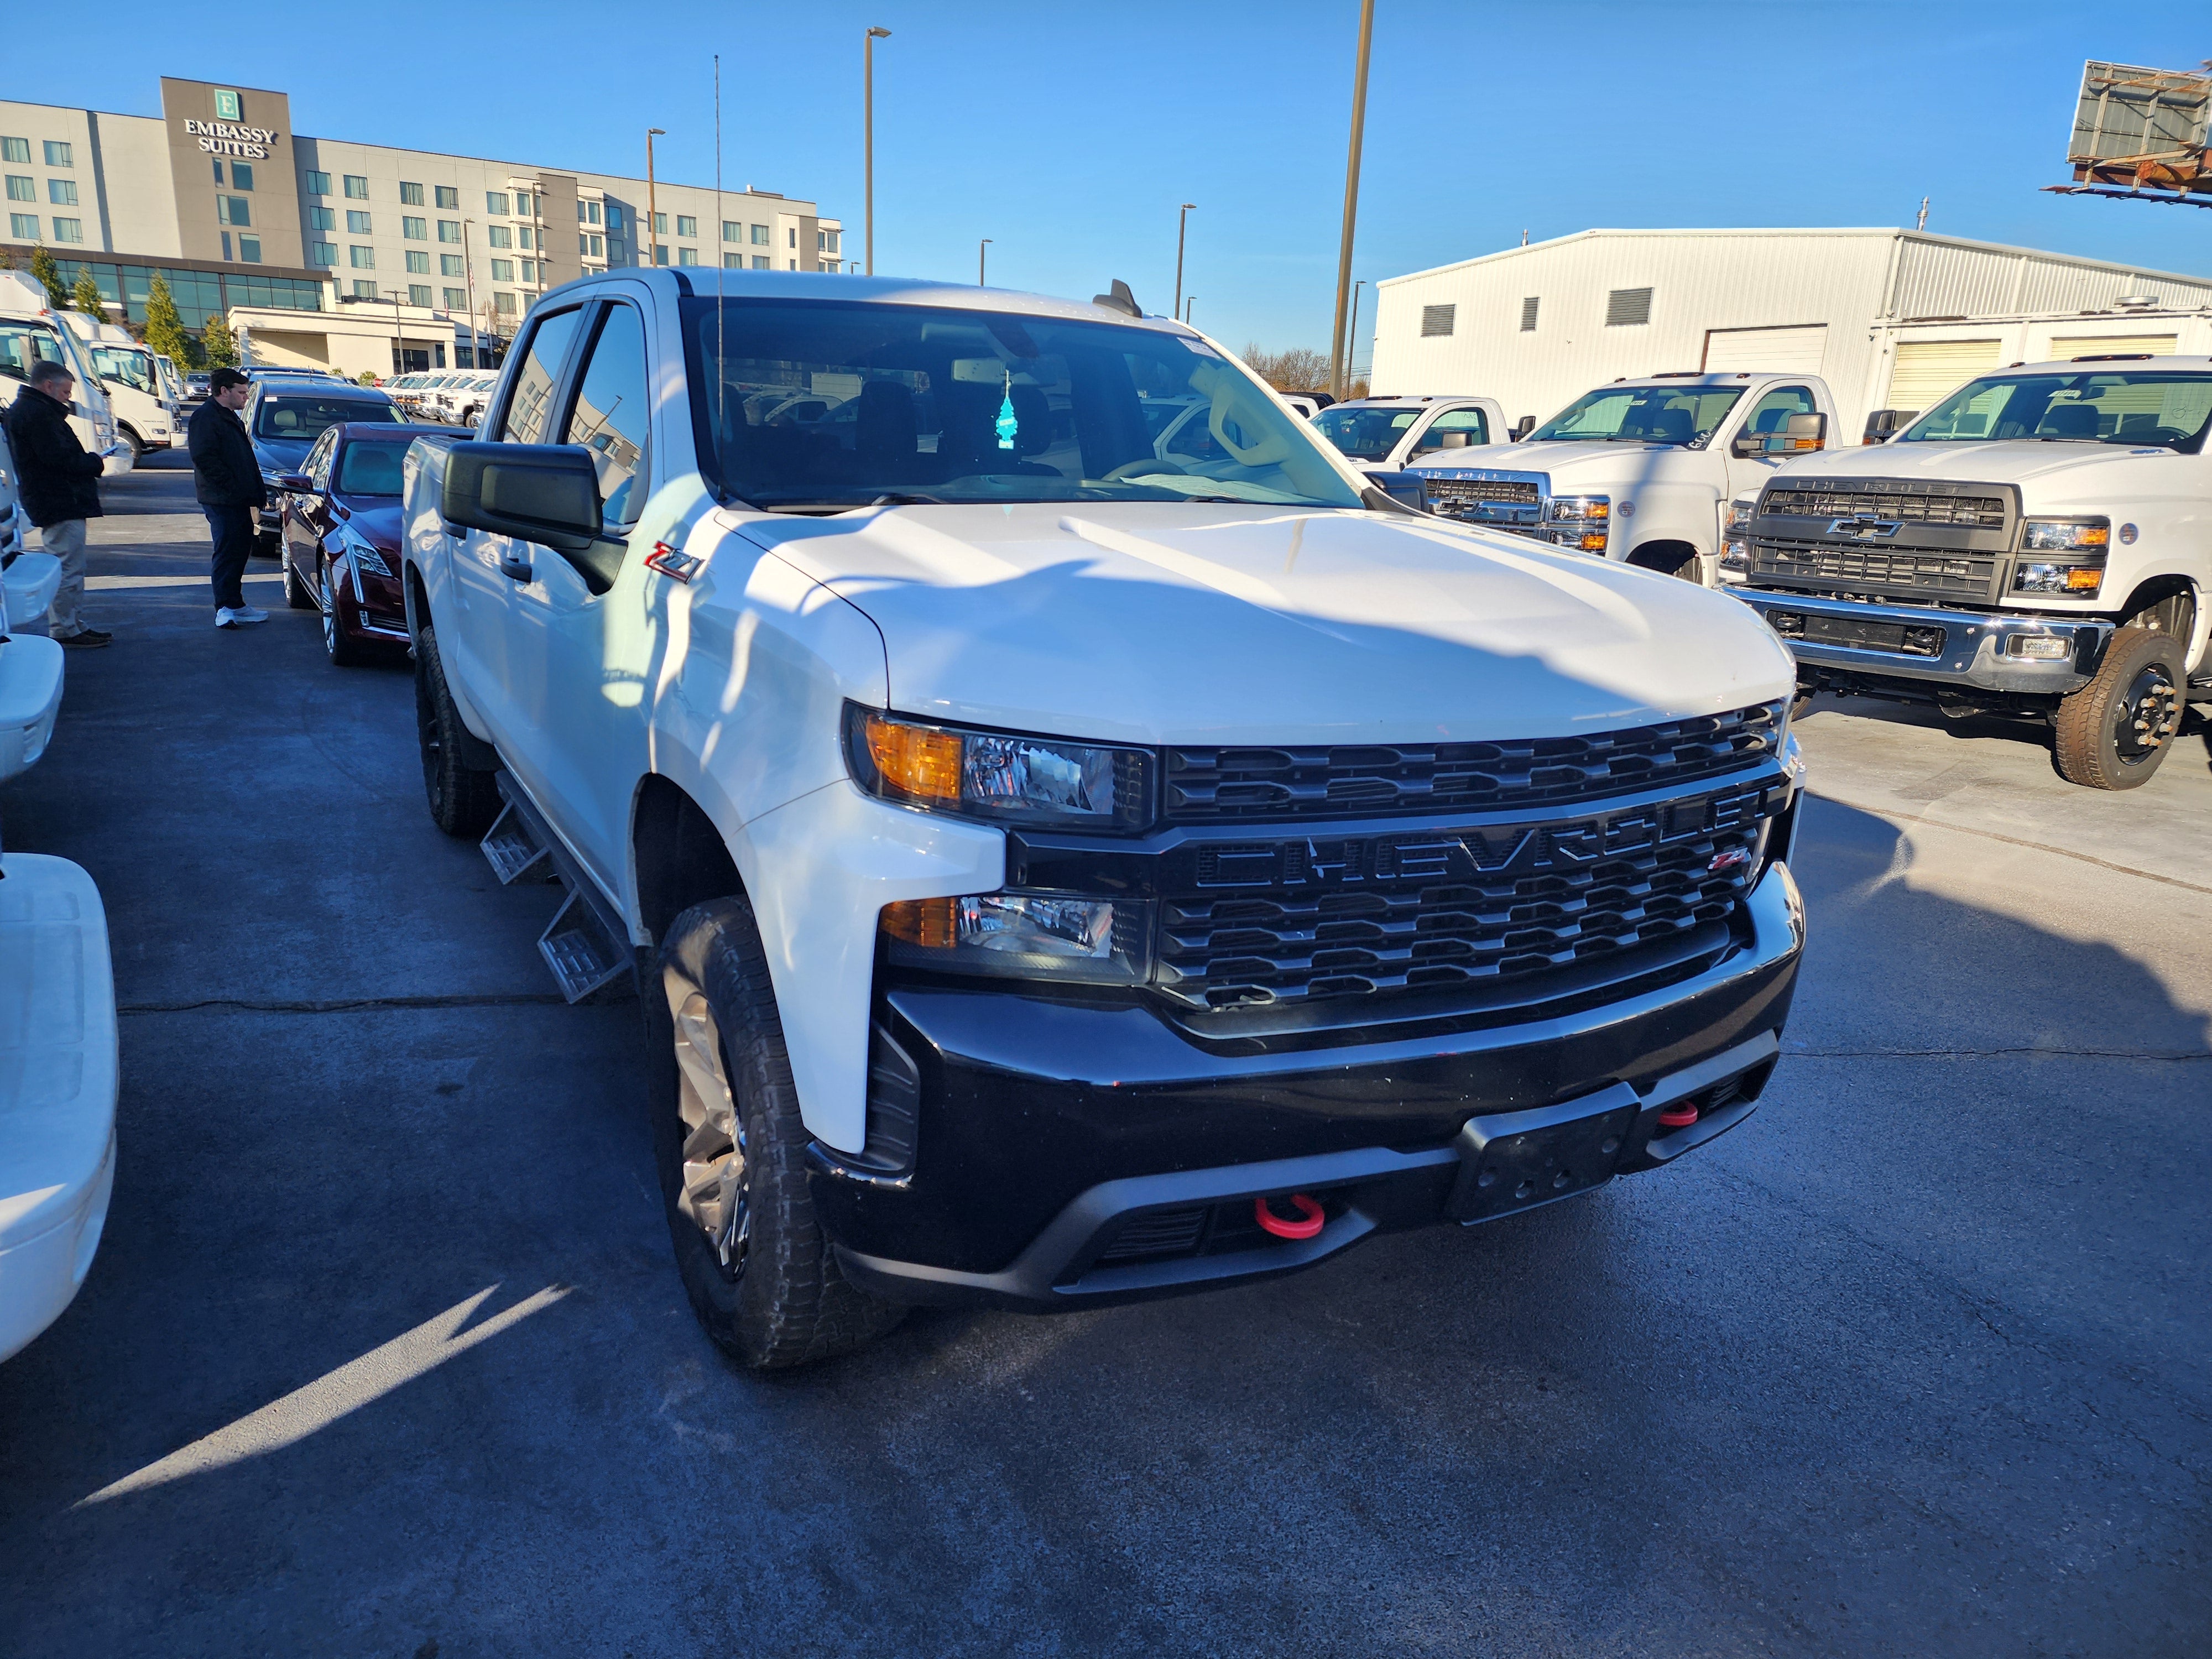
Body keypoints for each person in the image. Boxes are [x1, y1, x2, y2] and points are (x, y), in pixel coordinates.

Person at [3, 358, 111, 648]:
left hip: (56, 499)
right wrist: (93, 463)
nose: (69, 398)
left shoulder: (31, 411)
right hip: (60, 499)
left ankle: (72, 624)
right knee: (68, 568)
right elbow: (59, 459)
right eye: (65, 392)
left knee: (69, 567)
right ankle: (65, 628)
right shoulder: (38, 415)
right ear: (48, 386)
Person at [186, 366, 268, 628]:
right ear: (224, 391)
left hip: (236, 498)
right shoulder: (206, 418)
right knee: (227, 551)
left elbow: (242, 458)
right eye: (242, 392)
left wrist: (254, 491)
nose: (246, 398)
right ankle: (224, 608)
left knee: (240, 548)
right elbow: (205, 458)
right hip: (222, 500)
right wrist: (233, 487)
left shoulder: (228, 416)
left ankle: (235, 603)